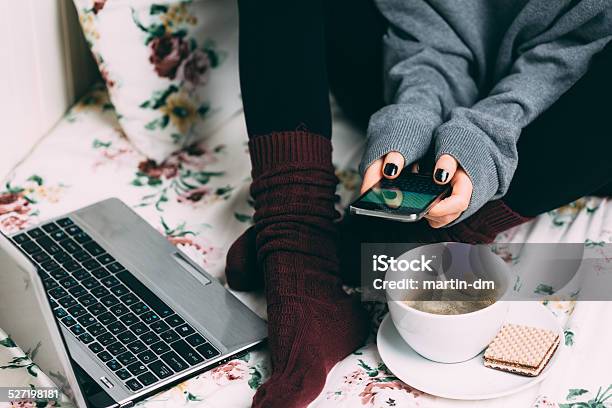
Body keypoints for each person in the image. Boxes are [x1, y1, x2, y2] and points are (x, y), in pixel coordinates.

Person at [226, 0, 612, 407]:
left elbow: (574, 44)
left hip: (565, 113)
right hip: (410, 68)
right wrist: (411, 116)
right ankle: (301, 255)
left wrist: (484, 138)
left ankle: (400, 234)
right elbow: (429, 23)